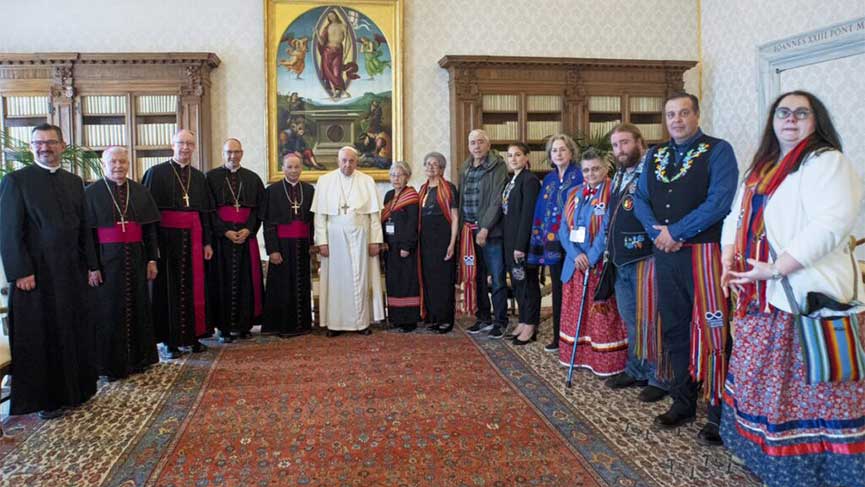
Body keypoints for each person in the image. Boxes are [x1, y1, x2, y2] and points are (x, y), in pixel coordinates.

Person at [719, 90, 865, 487]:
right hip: (757, 294)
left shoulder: (827, 163)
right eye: (783, 113)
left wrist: (776, 268)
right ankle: (762, 454)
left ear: (817, 121)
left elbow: (831, 225)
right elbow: (736, 213)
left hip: (801, 296)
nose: (790, 119)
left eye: (802, 113)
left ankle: (819, 471)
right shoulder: (763, 166)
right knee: (761, 383)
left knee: (813, 389)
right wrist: (728, 256)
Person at [633, 92, 738, 445]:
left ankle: (719, 412)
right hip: (666, 255)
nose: (676, 120)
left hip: (704, 255)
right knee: (674, 327)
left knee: (713, 330)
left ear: (696, 114)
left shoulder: (719, 150)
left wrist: (676, 231)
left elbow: (720, 201)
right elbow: (642, 200)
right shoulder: (655, 155)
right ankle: (683, 401)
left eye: (683, 113)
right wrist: (659, 235)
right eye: (671, 115)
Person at [0, 123, 97, 418]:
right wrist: (21, 272)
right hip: (37, 277)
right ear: (31, 147)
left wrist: (92, 265)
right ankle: (48, 400)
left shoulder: (73, 181)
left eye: (50, 142)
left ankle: (77, 391)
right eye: (38, 143)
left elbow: (85, 229)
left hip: (71, 273)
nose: (45, 147)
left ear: (62, 145)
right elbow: (8, 231)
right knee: (44, 336)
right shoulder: (17, 181)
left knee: (73, 331)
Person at [602, 124, 668, 403]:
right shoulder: (618, 174)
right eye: (616, 145)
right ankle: (637, 368)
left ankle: (658, 377)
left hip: (645, 257)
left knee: (651, 320)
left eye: (625, 143)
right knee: (631, 320)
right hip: (620, 259)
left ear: (640, 142)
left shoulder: (653, 172)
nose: (620, 150)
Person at [85, 146, 160, 380]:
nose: (118, 166)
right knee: (109, 312)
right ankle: (111, 366)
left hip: (136, 258)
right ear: (104, 165)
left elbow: (149, 230)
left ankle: (140, 359)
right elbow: (86, 235)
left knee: (139, 306)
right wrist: (92, 266)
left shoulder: (140, 191)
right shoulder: (91, 193)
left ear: (129, 164)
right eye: (113, 162)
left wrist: (151, 259)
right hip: (107, 261)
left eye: (123, 162)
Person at [142, 129, 214, 359]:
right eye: (181, 143)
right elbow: (149, 217)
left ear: (194, 147)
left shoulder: (199, 177)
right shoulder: (155, 173)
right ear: (172, 145)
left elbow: (205, 214)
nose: (185, 148)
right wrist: (153, 250)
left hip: (193, 239)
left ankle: (192, 337)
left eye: (190, 144)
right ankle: (169, 342)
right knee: (167, 290)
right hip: (167, 242)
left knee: (194, 289)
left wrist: (207, 243)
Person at [557, 150, 627, 374]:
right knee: (575, 311)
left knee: (601, 317)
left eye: (595, 168)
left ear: (606, 168)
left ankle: (603, 361)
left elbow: (608, 229)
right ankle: (578, 358)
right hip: (575, 263)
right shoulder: (573, 192)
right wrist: (576, 254)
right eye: (586, 170)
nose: (590, 173)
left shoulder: (612, 193)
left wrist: (591, 257)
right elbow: (563, 230)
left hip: (598, 265)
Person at [311, 146, 384, 335]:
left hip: (361, 236)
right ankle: (335, 324)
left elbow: (374, 216)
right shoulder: (325, 181)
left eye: (351, 161)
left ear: (356, 162)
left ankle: (361, 323)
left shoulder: (367, 181)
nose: (347, 164)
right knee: (336, 282)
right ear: (338, 160)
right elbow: (320, 216)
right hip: (334, 238)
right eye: (344, 160)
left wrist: (375, 240)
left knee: (360, 278)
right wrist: (322, 242)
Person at [206, 138, 265, 343]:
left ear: (242, 153)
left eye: (237, 152)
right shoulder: (211, 177)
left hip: (246, 239)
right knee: (221, 282)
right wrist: (224, 231)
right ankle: (223, 327)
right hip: (221, 241)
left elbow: (259, 210)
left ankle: (244, 325)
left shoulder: (252, 178)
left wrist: (249, 229)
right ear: (223, 153)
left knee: (247, 281)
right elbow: (209, 210)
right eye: (229, 152)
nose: (233, 156)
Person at [528, 135, 584, 351]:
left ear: (571, 152)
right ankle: (559, 337)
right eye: (554, 151)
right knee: (559, 290)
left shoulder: (580, 175)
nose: (558, 154)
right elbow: (541, 210)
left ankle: (576, 338)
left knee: (575, 289)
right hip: (552, 243)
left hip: (575, 243)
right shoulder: (550, 179)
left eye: (562, 150)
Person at [459, 129, 509, 338]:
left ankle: (500, 321)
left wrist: (485, 227)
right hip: (469, 230)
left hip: (491, 232)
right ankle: (483, 317)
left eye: (480, 142)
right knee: (476, 276)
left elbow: (497, 199)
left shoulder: (498, 167)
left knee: (496, 277)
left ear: (488, 145)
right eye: (472, 143)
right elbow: (462, 198)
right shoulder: (465, 167)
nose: (476, 146)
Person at [261, 152, 315, 337]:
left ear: (302, 168)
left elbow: (313, 222)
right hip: (282, 246)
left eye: (297, 167)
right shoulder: (272, 191)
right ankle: (282, 326)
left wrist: (313, 244)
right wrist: (273, 250)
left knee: (301, 284)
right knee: (282, 285)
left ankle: (303, 325)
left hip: (302, 245)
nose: (293, 171)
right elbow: (268, 224)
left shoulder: (309, 190)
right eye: (289, 167)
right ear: (283, 168)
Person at [501, 143, 541, 345]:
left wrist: (520, 245)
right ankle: (523, 320)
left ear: (526, 157)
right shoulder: (511, 180)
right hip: (509, 240)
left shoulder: (530, 180)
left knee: (527, 284)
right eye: (510, 156)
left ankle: (531, 325)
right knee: (517, 283)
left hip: (521, 243)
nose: (513, 159)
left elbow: (528, 215)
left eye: (518, 155)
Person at [418, 152, 459, 334]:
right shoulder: (422, 190)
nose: (431, 167)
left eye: (435, 164)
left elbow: (455, 218)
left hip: (443, 240)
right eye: (428, 164)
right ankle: (433, 317)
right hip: (426, 242)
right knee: (430, 280)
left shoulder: (449, 188)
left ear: (442, 168)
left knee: (444, 281)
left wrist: (452, 243)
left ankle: (445, 319)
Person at [381, 161, 421, 332]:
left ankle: (409, 320)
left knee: (407, 281)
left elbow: (413, 224)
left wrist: (407, 245)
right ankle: (396, 317)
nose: (396, 178)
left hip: (405, 247)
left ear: (407, 177)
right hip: (390, 246)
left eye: (400, 175)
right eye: (393, 175)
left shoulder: (412, 196)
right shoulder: (388, 195)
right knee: (393, 281)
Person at [316, 10, 359, 99]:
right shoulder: (327, 28)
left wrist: (346, 54)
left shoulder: (343, 26)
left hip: (338, 51)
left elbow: (349, 42)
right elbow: (321, 42)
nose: (331, 17)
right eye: (329, 16)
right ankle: (334, 92)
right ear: (328, 18)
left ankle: (343, 91)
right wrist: (317, 34)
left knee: (336, 73)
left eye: (332, 15)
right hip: (327, 51)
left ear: (336, 15)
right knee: (328, 72)